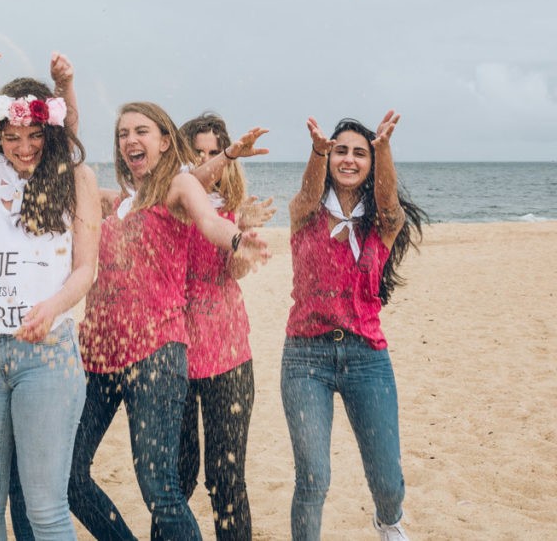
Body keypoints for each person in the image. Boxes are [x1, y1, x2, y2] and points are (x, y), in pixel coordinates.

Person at [68, 102, 270, 541]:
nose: (130, 140)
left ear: (164, 142)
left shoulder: (179, 189)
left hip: (167, 352)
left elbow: (209, 220)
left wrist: (239, 239)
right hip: (101, 353)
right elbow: (68, 174)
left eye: (141, 130)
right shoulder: (120, 202)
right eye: (123, 133)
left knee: (175, 486)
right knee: (72, 474)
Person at [0, 75, 101, 540]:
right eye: (12, 137)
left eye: (34, 135)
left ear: (52, 131)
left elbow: (85, 269)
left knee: (45, 509)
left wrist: (52, 307)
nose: (24, 147)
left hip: (48, 355)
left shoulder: (79, 178)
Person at [281, 111, 427, 541]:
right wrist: (316, 151)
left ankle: (388, 521)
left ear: (371, 164)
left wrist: (384, 150)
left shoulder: (382, 223)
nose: (348, 159)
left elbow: (389, 204)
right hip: (305, 358)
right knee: (313, 477)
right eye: (340, 151)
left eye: (359, 153)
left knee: (387, 481)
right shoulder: (305, 214)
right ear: (328, 159)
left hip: (367, 357)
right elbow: (309, 193)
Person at [177, 113, 275, 541]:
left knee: (226, 478)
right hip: (173, 354)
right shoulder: (168, 206)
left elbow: (234, 271)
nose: (207, 161)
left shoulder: (234, 210)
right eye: (197, 153)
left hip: (227, 353)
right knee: (177, 478)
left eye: (214, 152)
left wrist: (246, 231)